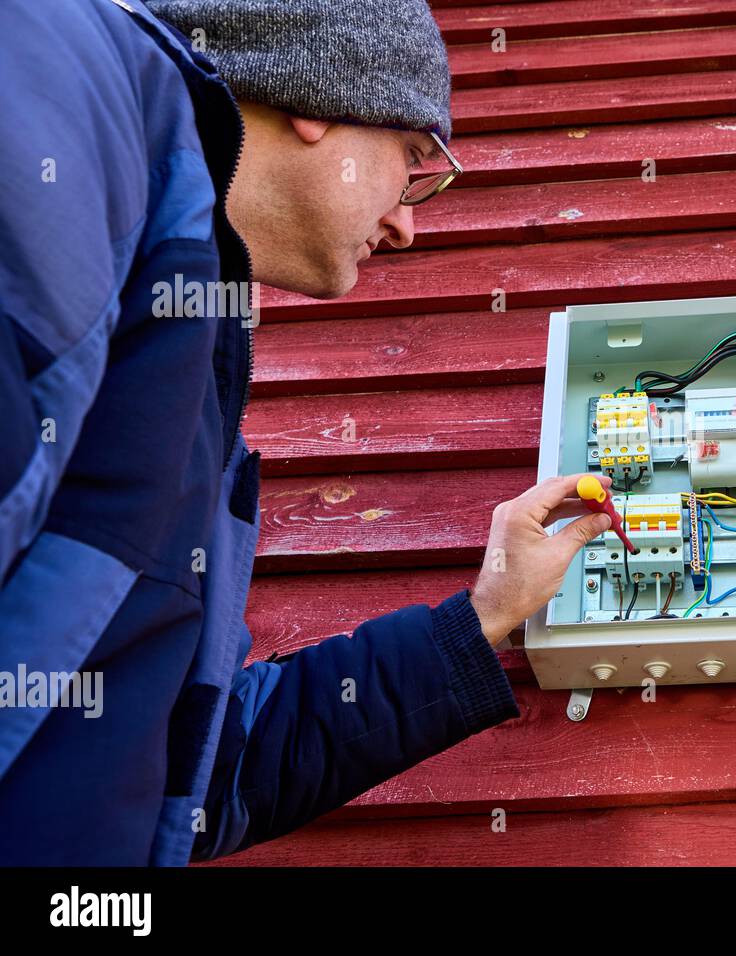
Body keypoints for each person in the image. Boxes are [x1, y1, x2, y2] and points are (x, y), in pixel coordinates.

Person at [0, 0, 611, 864]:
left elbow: (196, 771)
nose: (408, 222)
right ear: (319, 94)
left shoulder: (187, 354)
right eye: (412, 162)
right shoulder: (72, 106)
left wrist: (485, 617)